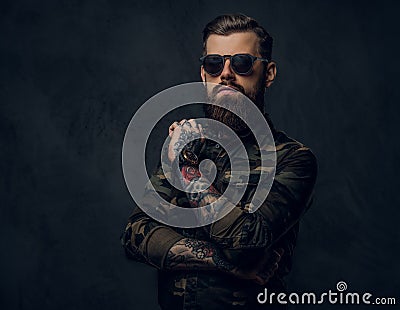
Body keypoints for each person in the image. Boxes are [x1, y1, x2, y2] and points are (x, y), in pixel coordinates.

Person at [121, 14, 317, 309]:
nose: (225, 74)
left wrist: (187, 170)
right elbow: (136, 234)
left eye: (241, 63)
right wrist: (229, 267)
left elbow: (247, 244)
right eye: (214, 64)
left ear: (268, 73)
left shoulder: (293, 159)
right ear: (204, 74)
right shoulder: (190, 146)